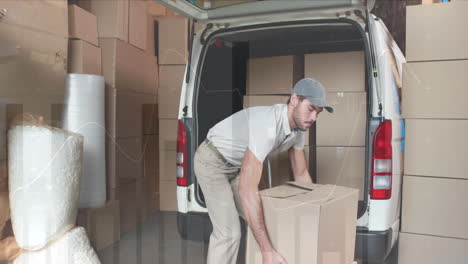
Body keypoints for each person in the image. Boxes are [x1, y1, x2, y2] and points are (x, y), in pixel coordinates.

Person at [194, 78, 334, 264]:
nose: (314, 118)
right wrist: (267, 251)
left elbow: (301, 174)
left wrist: (314, 214)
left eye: (318, 113)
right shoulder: (268, 126)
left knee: (264, 221)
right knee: (229, 233)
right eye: (310, 109)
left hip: (236, 167)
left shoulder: (298, 130)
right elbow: (247, 191)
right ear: (294, 100)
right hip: (212, 161)